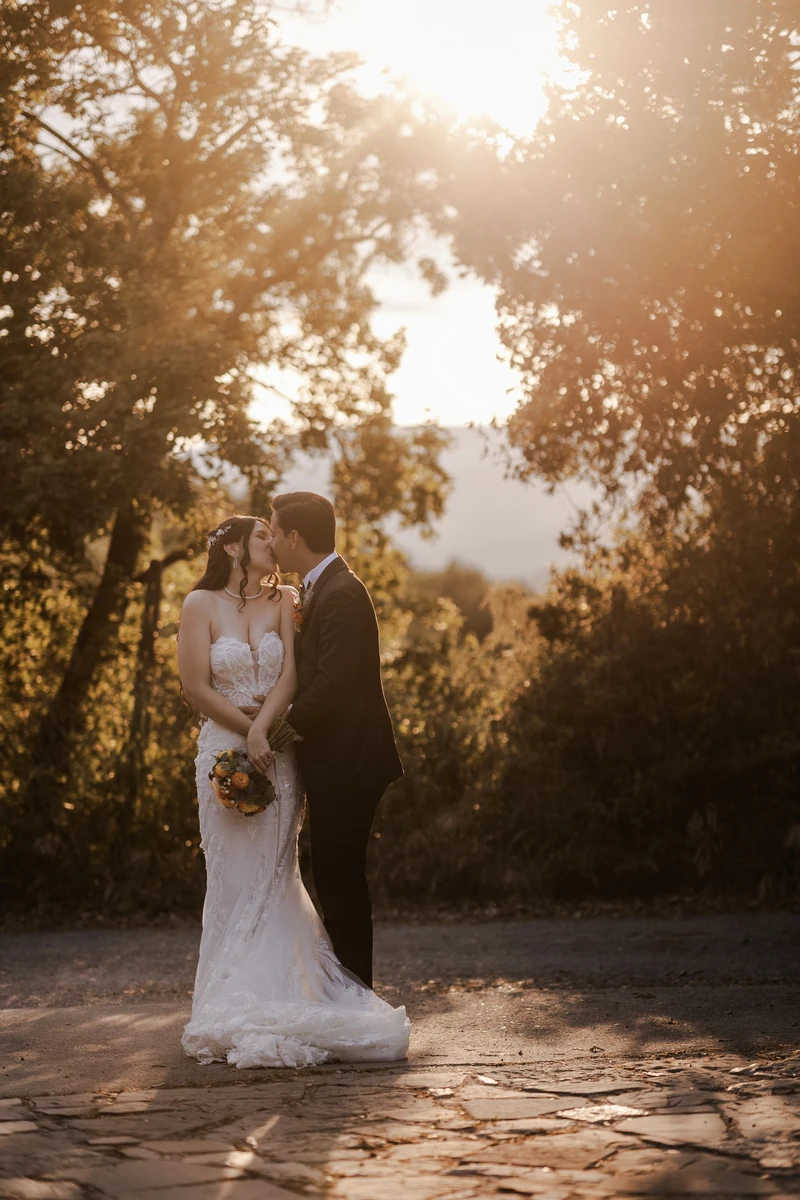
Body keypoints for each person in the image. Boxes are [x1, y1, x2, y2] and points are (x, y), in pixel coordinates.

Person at [177, 513, 409, 1069]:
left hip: (277, 752)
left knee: (279, 873)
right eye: (262, 535)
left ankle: (291, 987)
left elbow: (294, 677)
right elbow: (194, 686)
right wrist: (245, 728)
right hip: (224, 747)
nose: (273, 543)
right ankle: (228, 989)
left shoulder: (285, 599)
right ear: (233, 548)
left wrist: (264, 730)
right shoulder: (198, 604)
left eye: (275, 532)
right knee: (233, 875)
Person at [268, 492, 404, 990]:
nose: (272, 541)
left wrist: (276, 731)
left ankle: (356, 995)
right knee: (334, 876)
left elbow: (333, 683)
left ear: (294, 537)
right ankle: (349, 991)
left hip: (350, 763)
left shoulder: (341, 592)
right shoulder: (322, 587)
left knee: (340, 880)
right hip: (338, 761)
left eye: (274, 532)